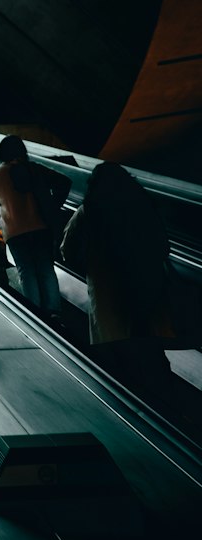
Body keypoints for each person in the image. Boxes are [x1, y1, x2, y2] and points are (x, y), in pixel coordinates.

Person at [59, 162, 176, 399]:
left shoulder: (90, 210)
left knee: (117, 350)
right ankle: (164, 400)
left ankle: (132, 403)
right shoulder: (143, 206)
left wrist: (90, 266)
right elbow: (163, 246)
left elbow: (67, 249)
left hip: (107, 290)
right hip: (147, 286)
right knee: (149, 346)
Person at [0, 135, 69, 321]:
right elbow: (64, 182)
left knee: (26, 271)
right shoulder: (34, 170)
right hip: (41, 228)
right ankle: (54, 311)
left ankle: (34, 314)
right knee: (46, 268)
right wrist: (53, 205)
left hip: (14, 230)